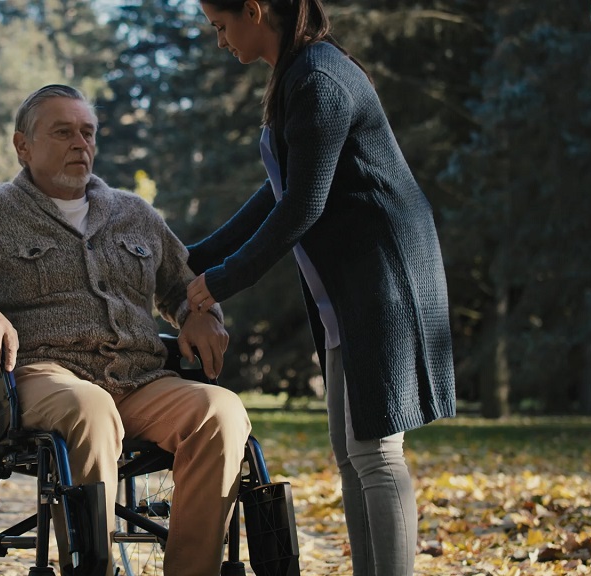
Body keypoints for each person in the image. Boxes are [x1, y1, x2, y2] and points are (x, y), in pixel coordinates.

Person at [0, 84, 251, 576]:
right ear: (23, 146)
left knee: (221, 411)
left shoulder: (135, 214)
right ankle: (91, 567)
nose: (81, 144)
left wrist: (201, 314)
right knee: (89, 408)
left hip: (140, 380)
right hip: (42, 374)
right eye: (63, 132)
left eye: (87, 132)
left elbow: (183, 289)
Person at [186, 2, 457, 574]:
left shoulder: (318, 78)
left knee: (376, 452)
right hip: (348, 287)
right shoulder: (296, 76)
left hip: (385, 277)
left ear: (255, 10)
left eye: (220, 25)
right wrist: (193, 259)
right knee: (350, 448)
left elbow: (301, 207)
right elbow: (279, 194)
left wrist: (222, 281)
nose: (220, 40)